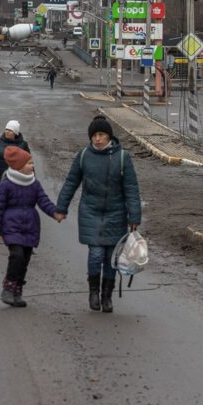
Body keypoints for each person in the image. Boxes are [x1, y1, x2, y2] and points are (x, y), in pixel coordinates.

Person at [55, 115, 142, 314]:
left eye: (101, 134)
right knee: (96, 254)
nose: (97, 139)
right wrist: (61, 208)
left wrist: (134, 217)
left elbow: (131, 188)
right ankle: (93, 292)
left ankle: (107, 296)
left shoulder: (122, 158)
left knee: (111, 257)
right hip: (90, 211)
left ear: (109, 136)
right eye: (94, 135)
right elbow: (71, 182)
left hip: (116, 213)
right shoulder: (84, 155)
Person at [0, 146, 62, 307]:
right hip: (11, 226)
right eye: (29, 163)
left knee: (25, 260)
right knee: (17, 256)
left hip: (31, 227)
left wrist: (55, 213)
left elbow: (44, 201)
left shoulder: (34, 184)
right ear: (18, 166)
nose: (32, 166)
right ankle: (8, 288)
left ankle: (17, 291)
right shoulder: (6, 185)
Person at [0, 120, 31, 193]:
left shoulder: (23, 145)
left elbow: (29, 163)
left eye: (10, 130)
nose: (7, 132)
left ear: (15, 133)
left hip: (16, 180)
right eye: (6, 129)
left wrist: (31, 181)